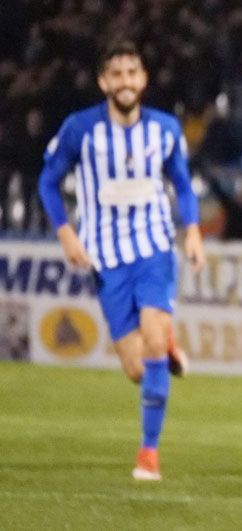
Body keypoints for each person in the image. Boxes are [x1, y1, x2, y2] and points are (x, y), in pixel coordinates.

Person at [38, 40, 207, 481]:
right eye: (117, 74)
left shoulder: (166, 129)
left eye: (133, 73)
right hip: (106, 258)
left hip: (154, 249)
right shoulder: (80, 130)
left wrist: (192, 231)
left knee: (151, 340)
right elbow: (48, 181)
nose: (126, 82)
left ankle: (148, 455)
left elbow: (183, 186)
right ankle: (164, 347)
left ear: (144, 80)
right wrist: (65, 233)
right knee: (137, 369)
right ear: (103, 82)